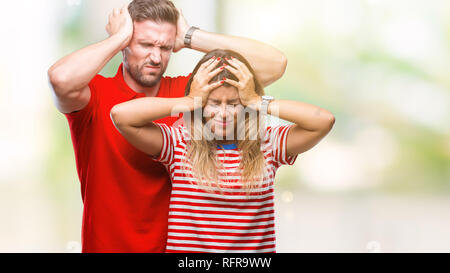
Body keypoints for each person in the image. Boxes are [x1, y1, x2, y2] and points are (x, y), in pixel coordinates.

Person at [47, 0, 289, 253]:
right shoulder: (96, 96)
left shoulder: (193, 94)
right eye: (145, 44)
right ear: (126, 44)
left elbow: (274, 65)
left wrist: (189, 36)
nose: (155, 56)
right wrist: (118, 37)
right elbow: (60, 79)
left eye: (164, 47)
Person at [110, 49, 335, 253]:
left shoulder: (267, 143)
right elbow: (121, 116)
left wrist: (258, 100)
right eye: (214, 102)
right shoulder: (179, 143)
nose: (224, 113)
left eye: (235, 103)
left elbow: (323, 121)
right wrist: (188, 101)